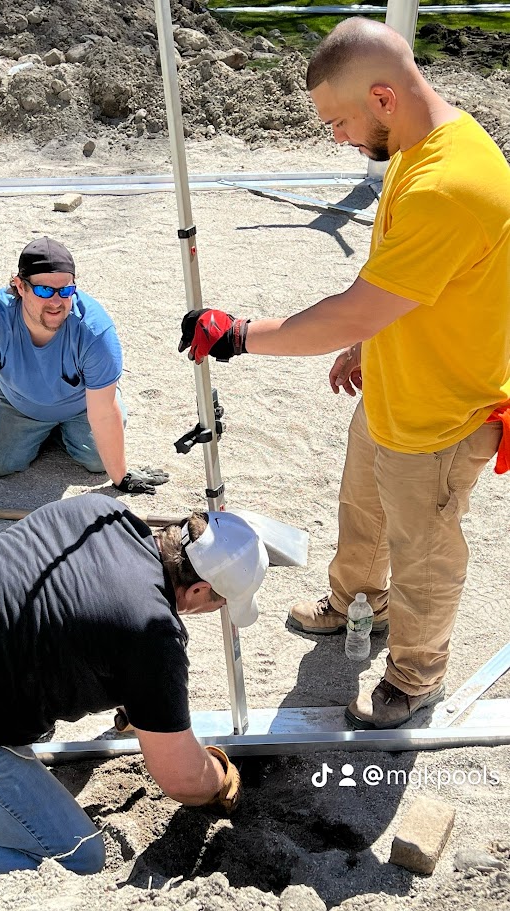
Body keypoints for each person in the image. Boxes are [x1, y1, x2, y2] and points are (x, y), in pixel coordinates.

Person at [178, 17, 510, 730]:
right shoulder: (422, 147)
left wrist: (240, 335)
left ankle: (414, 671)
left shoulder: (448, 184)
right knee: (361, 508)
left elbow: (349, 308)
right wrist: (369, 345)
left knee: (422, 548)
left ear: (383, 98)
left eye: (338, 120)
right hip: (395, 386)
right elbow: (407, 280)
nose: (334, 136)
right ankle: (359, 598)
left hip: (440, 414)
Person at [0, 494, 268, 884]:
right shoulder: (151, 632)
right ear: (198, 589)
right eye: (219, 603)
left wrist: (146, 699)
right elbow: (183, 780)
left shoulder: (102, 512)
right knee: (77, 857)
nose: (215, 611)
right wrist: (218, 777)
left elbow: (69, 613)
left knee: (29, 727)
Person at [0, 236, 168, 501]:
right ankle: (44, 432)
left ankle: (67, 425)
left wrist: (122, 477)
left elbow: (103, 412)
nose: (56, 302)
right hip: (18, 402)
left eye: (66, 291)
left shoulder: (95, 330)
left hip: (83, 405)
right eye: (44, 291)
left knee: (98, 463)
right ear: (19, 287)